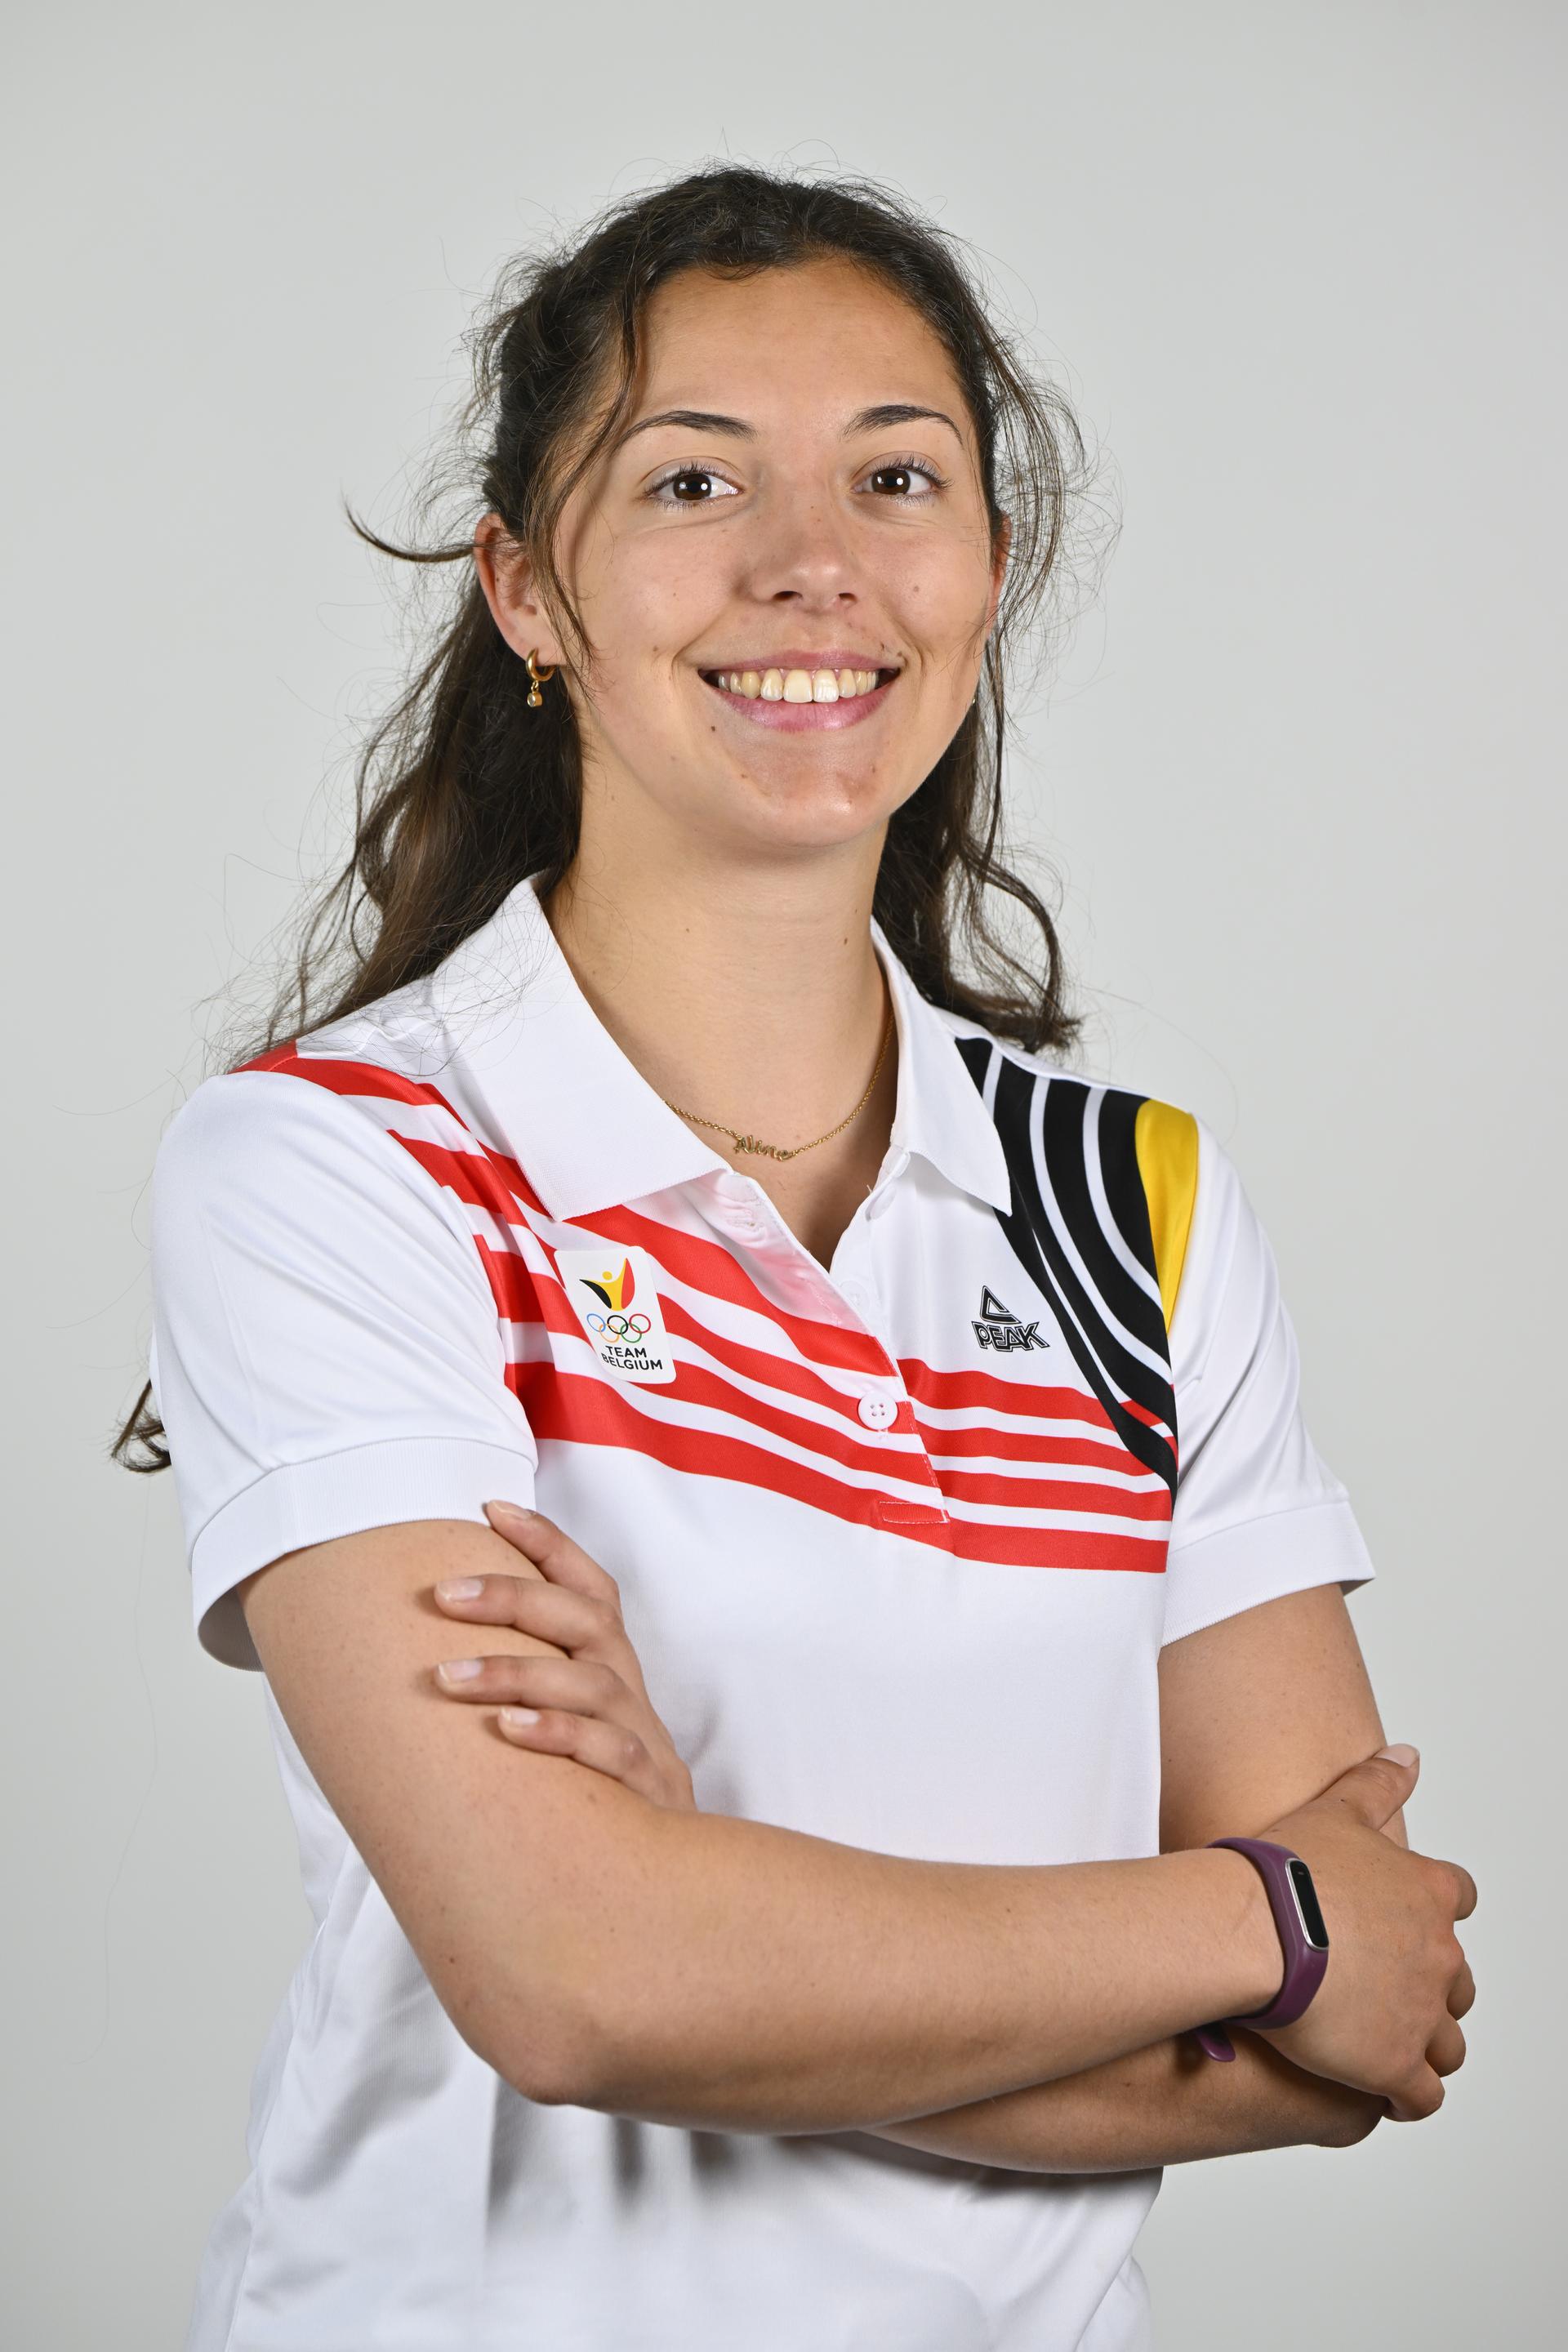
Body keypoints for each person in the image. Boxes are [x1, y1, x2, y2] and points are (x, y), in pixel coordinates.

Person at [115, 163, 1477, 2352]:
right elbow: (575, 1985)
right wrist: (1257, 1909)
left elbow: (1366, 2026)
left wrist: (717, 1913)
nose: (811, 565)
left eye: (896, 475)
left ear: (987, 571)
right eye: (690, 479)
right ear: (525, 591)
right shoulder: (337, 1163)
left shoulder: (1139, 1208)